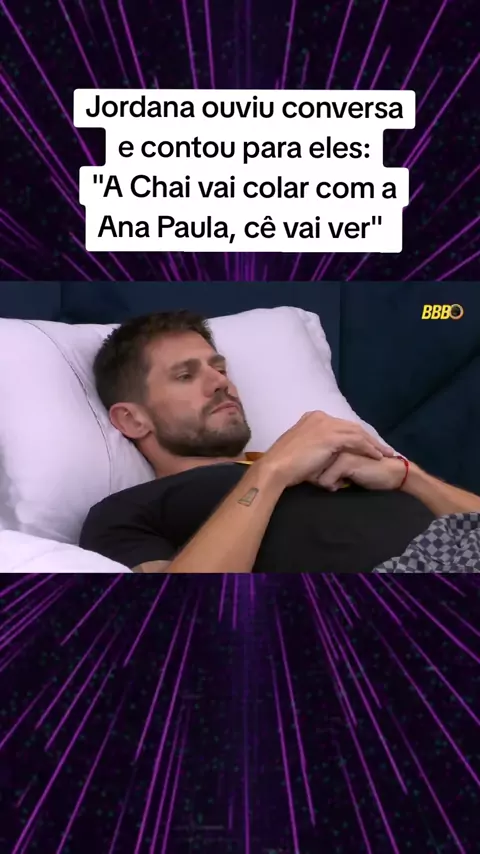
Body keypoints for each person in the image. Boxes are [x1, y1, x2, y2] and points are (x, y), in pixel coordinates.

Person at [79, 311, 480, 573]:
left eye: (220, 369)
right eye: (186, 375)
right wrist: (272, 470)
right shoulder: (126, 513)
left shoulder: (334, 462)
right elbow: (178, 620)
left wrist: (407, 477)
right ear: (132, 419)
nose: (220, 382)